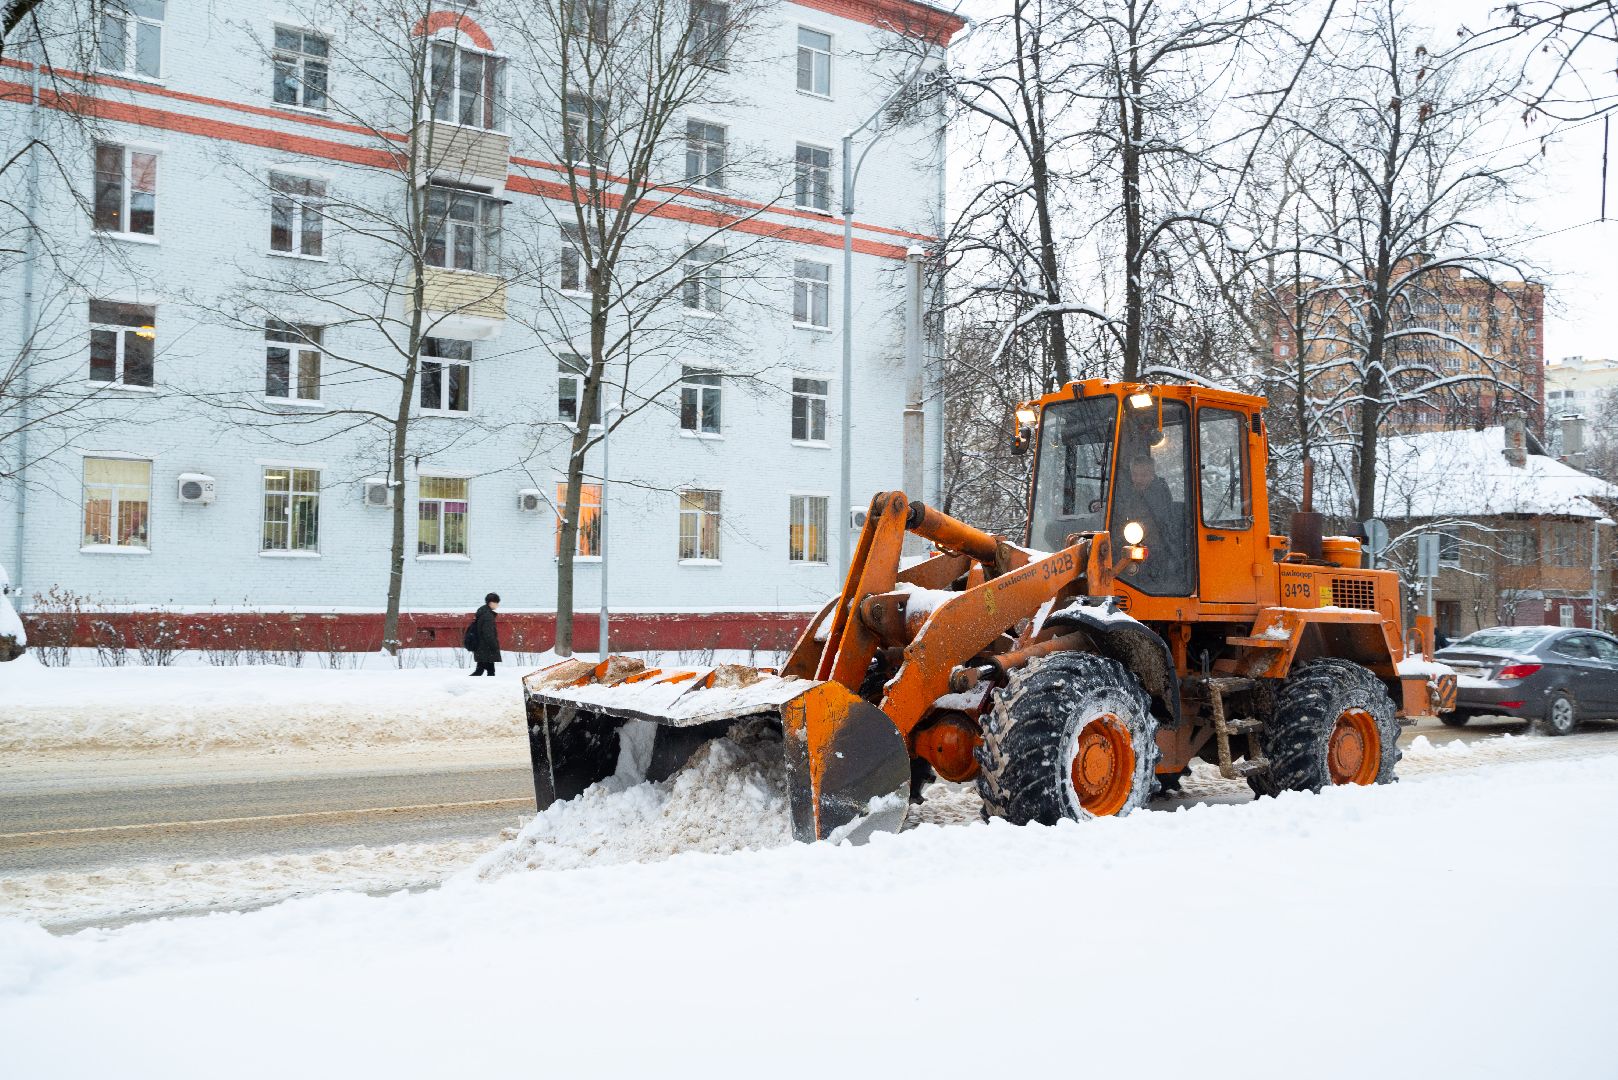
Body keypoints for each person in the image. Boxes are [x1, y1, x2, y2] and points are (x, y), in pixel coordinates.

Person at [1112, 449, 1184, 590]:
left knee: (1149, 582)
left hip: (1155, 548)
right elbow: (1119, 510)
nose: (1138, 479)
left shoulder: (1159, 492)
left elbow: (1161, 519)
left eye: (1143, 475)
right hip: (1129, 546)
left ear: (1152, 475)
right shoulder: (1128, 492)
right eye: (1135, 475)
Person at [471, 592, 502, 676]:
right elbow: (488, 633)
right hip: (486, 648)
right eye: (497, 603)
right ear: (491, 603)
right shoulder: (488, 616)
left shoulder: (482, 612)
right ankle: (464, 685)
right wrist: (494, 646)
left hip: (481, 648)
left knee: (487, 670)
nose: (498, 605)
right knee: (482, 671)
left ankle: (489, 687)